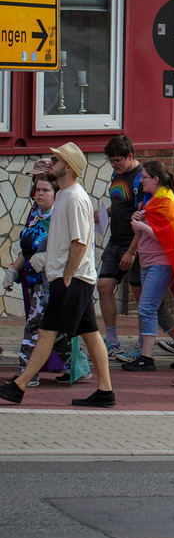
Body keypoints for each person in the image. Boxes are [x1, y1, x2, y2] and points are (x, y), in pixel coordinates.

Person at [0, 143, 116, 407]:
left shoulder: (75, 197)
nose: (51, 163)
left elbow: (79, 242)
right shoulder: (64, 194)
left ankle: (18, 386)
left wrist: (66, 276)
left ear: (69, 167)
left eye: (56, 160)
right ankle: (105, 391)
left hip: (72, 278)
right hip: (74, 277)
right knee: (90, 333)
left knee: (46, 332)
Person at [3, 173, 88, 386]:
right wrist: (13, 270)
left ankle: (26, 374)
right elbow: (27, 248)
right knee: (54, 329)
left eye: (45, 190)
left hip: (51, 281)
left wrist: (47, 258)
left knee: (34, 326)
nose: (40, 194)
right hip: (34, 281)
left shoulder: (60, 217)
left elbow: (75, 246)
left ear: (56, 194)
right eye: (37, 190)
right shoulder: (36, 216)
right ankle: (78, 367)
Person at [122, 161, 174, 371]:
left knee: (146, 307)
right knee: (157, 309)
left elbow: (169, 237)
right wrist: (138, 219)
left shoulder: (166, 202)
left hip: (160, 263)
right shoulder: (152, 201)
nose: (141, 181)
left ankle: (146, 357)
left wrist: (142, 225)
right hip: (148, 261)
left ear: (155, 179)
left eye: (144, 177)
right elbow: (148, 228)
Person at [96, 135, 146, 357]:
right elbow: (119, 205)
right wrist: (103, 214)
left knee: (140, 296)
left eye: (117, 160)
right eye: (110, 160)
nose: (113, 165)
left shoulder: (141, 178)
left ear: (130, 156)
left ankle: (142, 344)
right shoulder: (117, 174)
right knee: (104, 286)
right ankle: (113, 340)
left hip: (135, 244)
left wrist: (132, 251)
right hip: (114, 241)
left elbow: (144, 217)